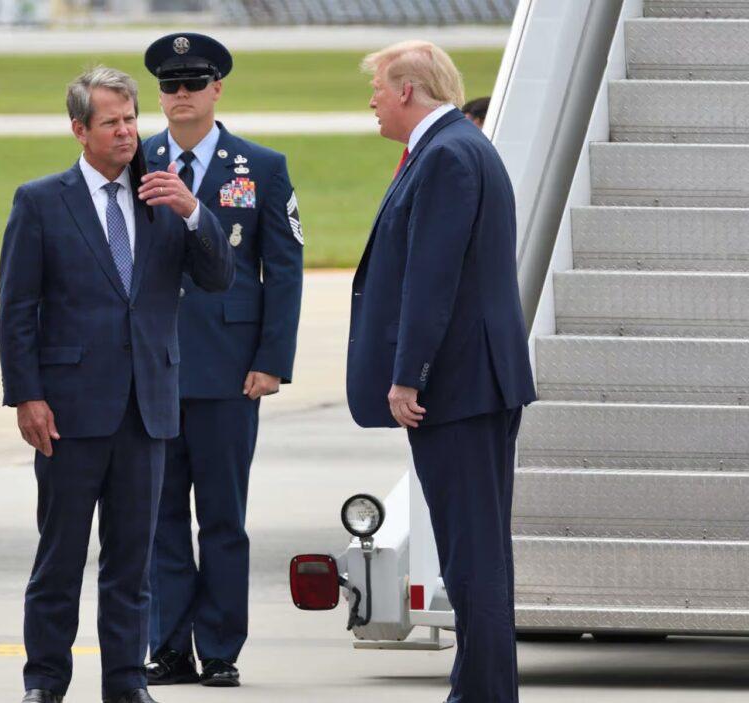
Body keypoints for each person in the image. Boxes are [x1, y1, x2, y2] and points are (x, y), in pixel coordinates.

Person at [0, 66, 234, 703]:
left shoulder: (164, 196)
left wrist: (193, 211)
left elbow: (219, 277)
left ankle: (126, 685)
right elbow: (17, 309)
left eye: (131, 119)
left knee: (132, 566)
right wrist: (26, 395)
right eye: (112, 122)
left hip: (146, 411)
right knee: (60, 561)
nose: (128, 132)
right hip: (69, 413)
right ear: (80, 130)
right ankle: (45, 683)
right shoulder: (41, 201)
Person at [346, 42, 536, 703]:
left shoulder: (449, 156)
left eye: (377, 86)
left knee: (472, 556)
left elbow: (433, 278)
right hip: (470, 383)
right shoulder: (454, 148)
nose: (371, 99)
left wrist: (408, 375)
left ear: (406, 90)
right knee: (474, 552)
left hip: (458, 386)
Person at [139, 32, 303, 689]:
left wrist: (273, 359)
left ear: (217, 89)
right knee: (159, 516)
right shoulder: (137, 160)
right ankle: (170, 643)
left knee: (223, 515)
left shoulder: (258, 164)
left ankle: (222, 646)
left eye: (193, 83)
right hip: (153, 368)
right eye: (170, 86)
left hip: (229, 367)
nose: (181, 96)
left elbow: (284, 270)